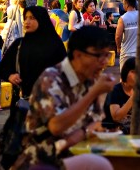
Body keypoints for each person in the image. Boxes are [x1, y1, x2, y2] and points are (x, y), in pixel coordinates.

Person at [12, 26, 115, 170]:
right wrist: (93, 93)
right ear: (78, 55)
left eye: (107, 55)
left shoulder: (90, 80)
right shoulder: (52, 78)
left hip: (71, 152)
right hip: (40, 160)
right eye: (99, 55)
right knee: (100, 165)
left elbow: (95, 124)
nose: (104, 62)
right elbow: (56, 126)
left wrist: (99, 94)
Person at [0, 6, 68, 101]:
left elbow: (66, 72)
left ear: (41, 20)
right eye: (25, 18)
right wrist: (10, 76)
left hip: (50, 102)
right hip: (24, 101)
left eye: (32, 18)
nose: (27, 21)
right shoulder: (19, 44)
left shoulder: (55, 44)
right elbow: (2, 69)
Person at [115, 0, 140, 71]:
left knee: (125, 75)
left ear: (127, 4)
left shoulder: (122, 18)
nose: (123, 5)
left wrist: (118, 47)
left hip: (127, 53)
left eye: (123, 3)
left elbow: (118, 36)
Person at [102, 57, 139, 132]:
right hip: (114, 131)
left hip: (130, 128)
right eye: (133, 72)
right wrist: (133, 98)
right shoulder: (115, 90)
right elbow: (116, 117)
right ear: (125, 72)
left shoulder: (135, 89)